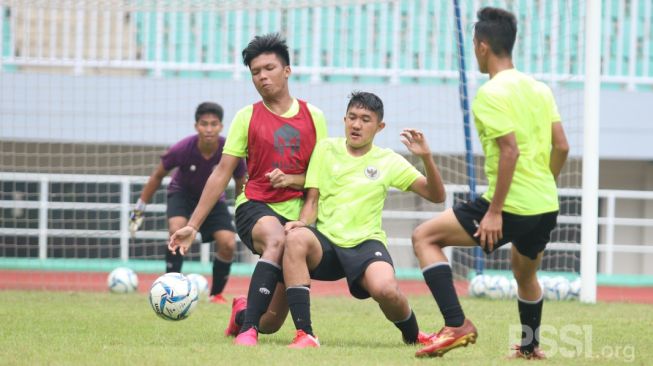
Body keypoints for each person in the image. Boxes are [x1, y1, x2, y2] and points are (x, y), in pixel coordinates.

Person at [412, 7, 570, 359]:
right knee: (524, 273)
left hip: (509, 205)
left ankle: (456, 325)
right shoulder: (539, 88)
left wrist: (495, 211)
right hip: (545, 205)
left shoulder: (490, 93)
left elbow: (509, 150)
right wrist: (544, 182)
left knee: (424, 237)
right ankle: (530, 348)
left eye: (473, 44)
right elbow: (562, 145)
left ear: (482, 46)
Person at [168, 33, 328, 346]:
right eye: (255, 72)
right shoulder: (247, 116)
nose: (262, 76)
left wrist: (305, 208)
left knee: (271, 322)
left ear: (287, 70)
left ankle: (243, 314)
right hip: (255, 206)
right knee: (276, 238)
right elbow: (221, 174)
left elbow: (318, 177)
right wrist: (192, 225)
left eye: (269, 68)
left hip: (297, 215)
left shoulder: (315, 116)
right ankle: (247, 331)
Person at [281, 91, 447, 348]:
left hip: (365, 244)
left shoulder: (388, 160)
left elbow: (436, 196)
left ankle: (414, 335)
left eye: (365, 119)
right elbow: (312, 199)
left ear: (380, 126)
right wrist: (302, 223)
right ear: (345, 119)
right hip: (326, 241)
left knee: (386, 291)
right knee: (295, 237)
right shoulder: (325, 148)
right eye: (352, 117)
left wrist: (426, 157)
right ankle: (306, 334)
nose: (356, 125)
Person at [129, 101, 247, 304]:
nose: (209, 129)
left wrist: (243, 208)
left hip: (212, 200)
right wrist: (139, 208)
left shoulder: (230, 151)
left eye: (214, 124)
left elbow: (240, 181)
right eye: (204, 124)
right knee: (176, 229)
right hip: (181, 195)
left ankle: (216, 294)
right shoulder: (183, 148)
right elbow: (158, 176)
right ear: (196, 126)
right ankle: (168, 289)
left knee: (228, 242)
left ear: (221, 126)